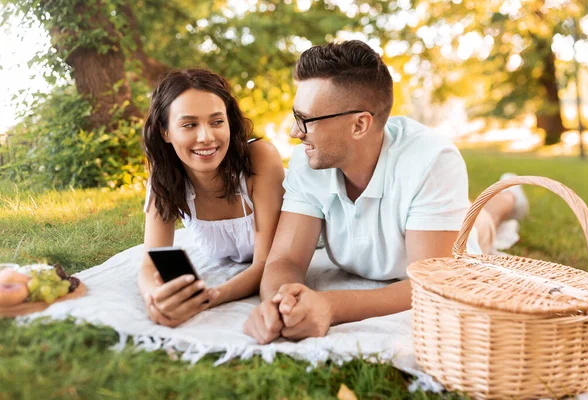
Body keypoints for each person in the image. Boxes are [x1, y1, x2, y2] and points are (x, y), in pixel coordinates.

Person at [243, 40, 528, 344]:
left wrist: (329, 305)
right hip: (414, 221)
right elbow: (285, 259)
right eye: (295, 116)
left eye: (307, 120)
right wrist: (279, 304)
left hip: (454, 241)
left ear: (359, 125)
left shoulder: (432, 160)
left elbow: (431, 283)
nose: (294, 132)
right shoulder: (308, 160)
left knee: (483, 225)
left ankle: (509, 197)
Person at [138, 69, 285, 327]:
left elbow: (267, 264)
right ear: (165, 132)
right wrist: (156, 300)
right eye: (189, 124)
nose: (206, 137)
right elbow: (151, 262)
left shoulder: (260, 158)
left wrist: (209, 297)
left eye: (217, 122)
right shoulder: (164, 179)